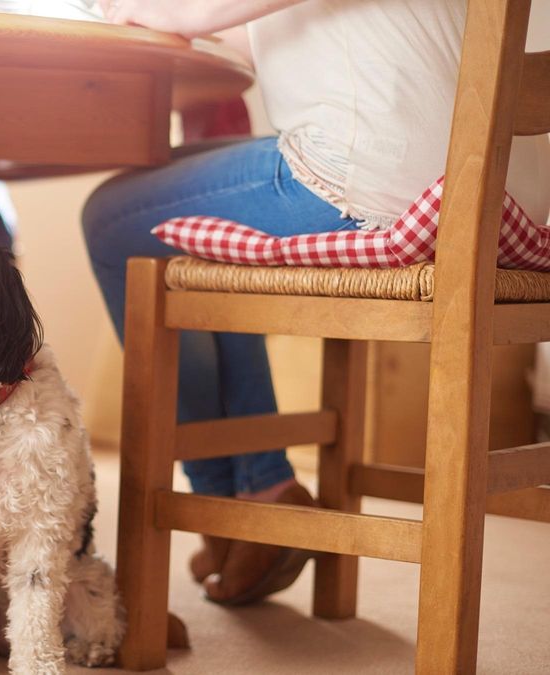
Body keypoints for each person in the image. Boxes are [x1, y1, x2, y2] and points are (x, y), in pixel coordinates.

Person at [85, 0, 550, 605]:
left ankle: (227, 504)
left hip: (390, 178)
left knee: (110, 219)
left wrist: (180, 12)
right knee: (186, 214)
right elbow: (282, 37)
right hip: (508, 188)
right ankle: (252, 495)